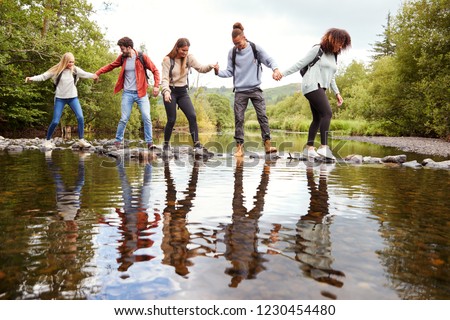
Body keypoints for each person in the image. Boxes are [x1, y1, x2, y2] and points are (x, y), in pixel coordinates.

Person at [280, 28, 351, 160]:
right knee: (327, 113)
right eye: (339, 43)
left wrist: (337, 93)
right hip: (311, 85)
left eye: (343, 44)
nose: (340, 46)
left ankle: (309, 148)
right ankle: (324, 148)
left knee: (318, 118)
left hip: (321, 87)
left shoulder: (334, 55)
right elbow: (300, 63)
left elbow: (332, 76)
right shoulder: (318, 50)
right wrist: (282, 74)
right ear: (332, 40)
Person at [214, 22, 281, 157]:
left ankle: (267, 145)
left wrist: (275, 69)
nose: (237, 46)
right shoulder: (232, 52)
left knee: (262, 116)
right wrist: (217, 72)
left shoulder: (255, 49)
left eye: (239, 43)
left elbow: (269, 60)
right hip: (240, 91)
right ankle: (239, 149)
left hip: (255, 89)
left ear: (244, 37)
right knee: (239, 119)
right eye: (235, 44)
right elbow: (229, 71)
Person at [95, 37, 160, 150]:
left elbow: (155, 70)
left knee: (146, 117)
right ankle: (117, 142)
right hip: (127, 93)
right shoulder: (122, 58)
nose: (121, 51)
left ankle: (149, 143)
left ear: (129, 48)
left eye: (123, 49)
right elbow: (111, 66)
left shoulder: (141, 57)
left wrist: (156, 86)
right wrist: (98, 72)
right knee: (124, 118)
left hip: (141, 93)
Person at [25, 52, 98, 149]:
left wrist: (95, 75)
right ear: (64, 61)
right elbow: (43, 76)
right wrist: (32, 79)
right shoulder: (56, 70)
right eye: (69, 62)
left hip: (73, 98)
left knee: (80, 117)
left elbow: (85, 74)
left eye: (72, 62)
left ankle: (81, 140)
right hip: (60, 98)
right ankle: (47, 140)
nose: (71, 64)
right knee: (55, 121)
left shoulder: (75, 70)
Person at [161, 38, 216, 156]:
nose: (185, 53)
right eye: (183, 50)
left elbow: (201, 68)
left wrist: (210, 66)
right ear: (177, 47)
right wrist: (166, 92)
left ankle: (196, 144)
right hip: (170, 91)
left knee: (192, 115)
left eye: (186, 50)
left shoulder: (189, 58)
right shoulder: (167, 60)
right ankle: (166, 144)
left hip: (182, 92)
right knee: (171, 119)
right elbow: (164, 78)